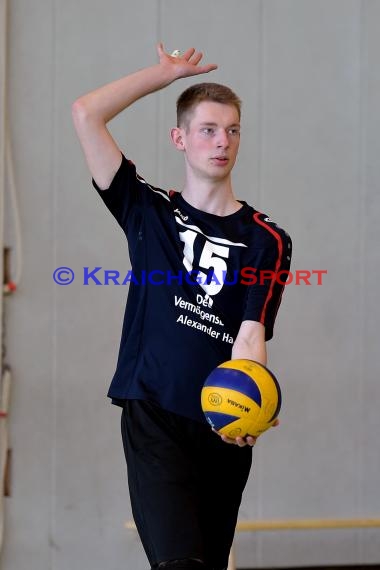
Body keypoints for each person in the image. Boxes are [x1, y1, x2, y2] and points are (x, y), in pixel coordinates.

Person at [72, 43, 292, 570]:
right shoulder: (147, 210)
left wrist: (251, 410)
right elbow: (86, 113)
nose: (222, 142)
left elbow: (250, 334)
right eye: (208, 129)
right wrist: (163, 75)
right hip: (154, 413)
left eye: (232, 130)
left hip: (222, 422)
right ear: (180, 138)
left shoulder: (267, 239)